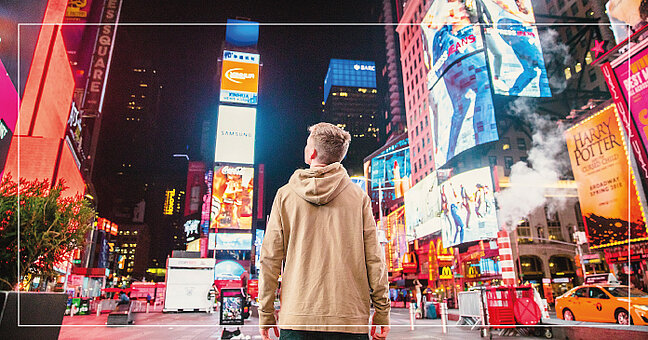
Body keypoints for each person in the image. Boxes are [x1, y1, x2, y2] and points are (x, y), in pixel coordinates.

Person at [259, 122, 391, 340]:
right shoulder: (359, 198)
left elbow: (270, 258)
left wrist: (266, 312)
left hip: (297, 319)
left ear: (311, 152)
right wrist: (382, 312)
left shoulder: (285, 196)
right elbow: (375, 260)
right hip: (350, 321)